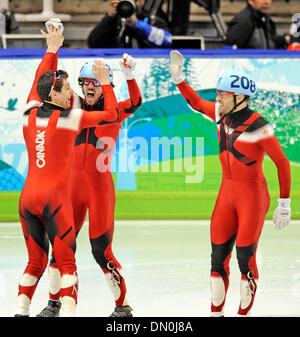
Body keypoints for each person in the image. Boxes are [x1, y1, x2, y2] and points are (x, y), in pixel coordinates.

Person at [169, 50, 291, 316]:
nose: (217, 97)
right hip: (227, 194)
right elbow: (195, 102)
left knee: (245, 262)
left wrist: (284, 202)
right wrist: (178, 78)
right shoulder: (219, 113)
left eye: (222, 93)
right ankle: (216, 313)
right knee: (216, 262)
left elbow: (281, 162)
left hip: (252, 196)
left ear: (239, 97)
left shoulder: (259, 125)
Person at [16, 26, 119, 317]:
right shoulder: (71, 118)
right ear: (56, 94)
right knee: (68, 265)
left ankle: (20, 312)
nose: (74, 91)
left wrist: (52, 49)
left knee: (35, 264)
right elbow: (111, 114)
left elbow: (40, 80)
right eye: (68, 88)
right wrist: (105, 83)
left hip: (26, 202)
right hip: (54, 201)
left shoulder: (28, 111)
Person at [37, 53, 142, 317]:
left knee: (101, 252)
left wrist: (128, 75)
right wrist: (53, 49)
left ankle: (123, 306)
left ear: (105, 84)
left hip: (99, 190)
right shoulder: (72, 106)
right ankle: (53, 304)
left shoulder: (115, 111)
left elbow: (137, 102)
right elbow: (50, 87)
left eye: (95, 82)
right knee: (59, 247)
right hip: (70, 189)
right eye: (84, 82)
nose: (89, 86)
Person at [87, 0, 172, 48]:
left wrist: (137, 25)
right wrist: (109, 17)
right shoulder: (112, 22)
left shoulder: (152, 20)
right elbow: (93, 43)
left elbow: (167, 40)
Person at [225, 0, 290, 49]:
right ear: (250, 1)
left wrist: (284, 40)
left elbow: (269, 43)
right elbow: (230, 51)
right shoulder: (244, 21)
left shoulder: (264, 18)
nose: (266, 2)